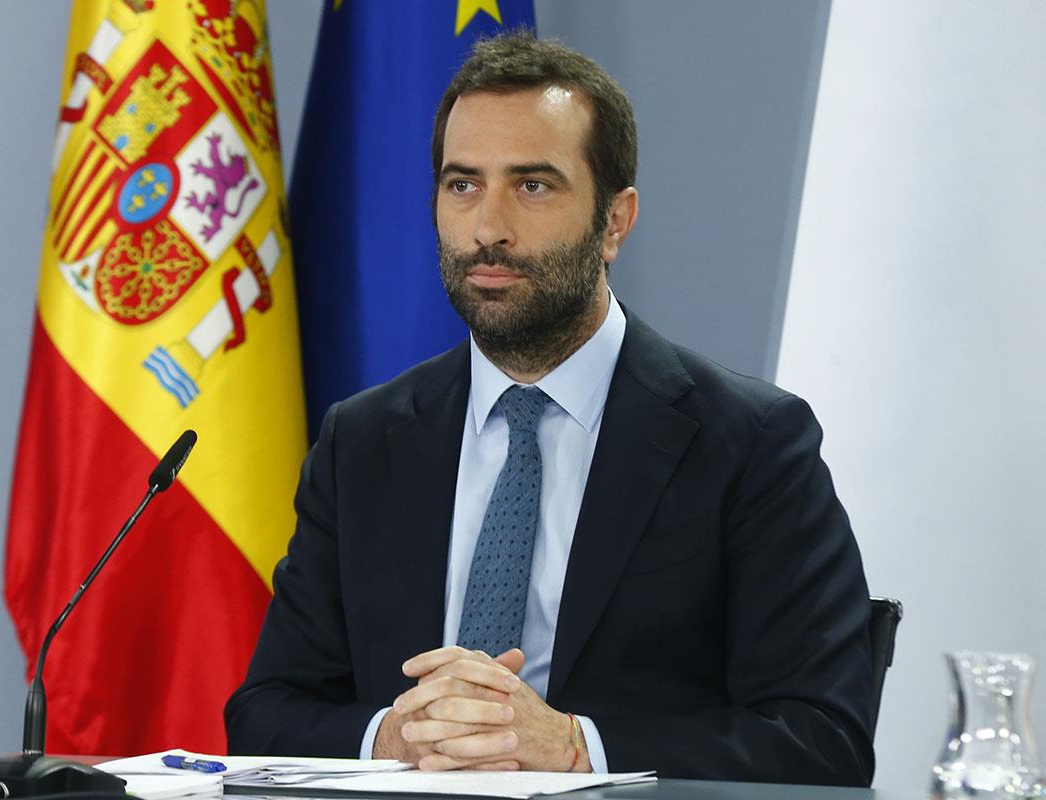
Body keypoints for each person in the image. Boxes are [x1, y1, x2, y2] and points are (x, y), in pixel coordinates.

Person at [225, 32, 874, 786]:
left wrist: (574, 747)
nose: (487, 228)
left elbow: (823, 739)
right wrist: (392, 736)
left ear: (615, 222)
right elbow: (265, 713)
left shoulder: (753, 444)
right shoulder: (363, 441)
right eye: (462, 184)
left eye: (533, 185)